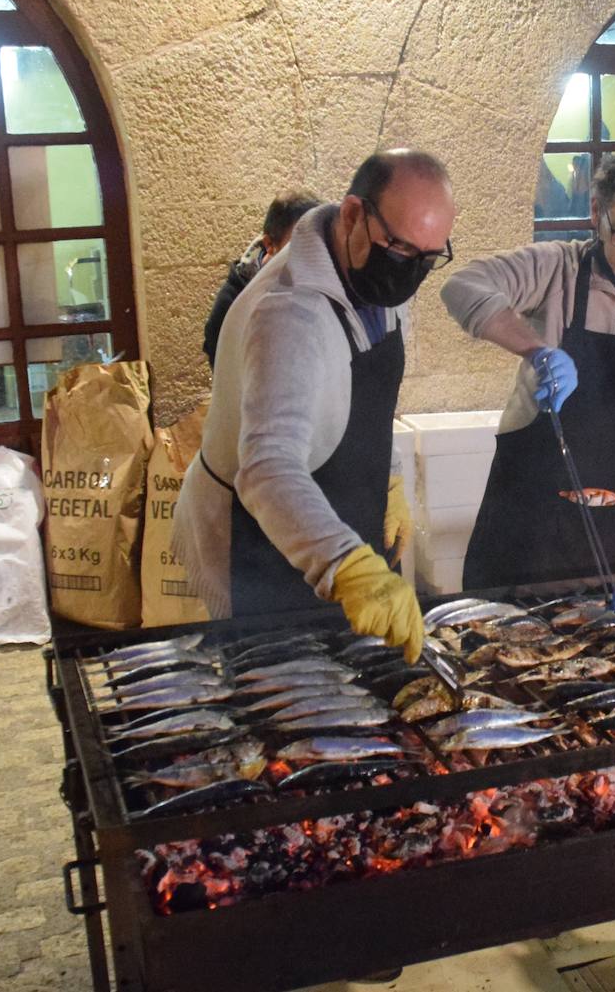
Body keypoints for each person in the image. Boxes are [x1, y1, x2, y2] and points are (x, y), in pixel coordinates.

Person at [174, 150, 456, 662]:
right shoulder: (288, 311)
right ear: (352, 214)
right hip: (255, 532)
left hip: (340, 503)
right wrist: (347, 566)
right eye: (401, 249)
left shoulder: (381, 266)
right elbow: (267, 469)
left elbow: (371, 397)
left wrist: (389, 476)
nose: (411, 273)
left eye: (430, 258)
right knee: (278, 685)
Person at [442, 152, 615, 589]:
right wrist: (536, 349)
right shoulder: (555, 270)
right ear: (597, 212)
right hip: (525, 519)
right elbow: (461, 287)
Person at [202, 190, 322, 368]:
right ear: (269, 245)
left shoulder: (318, 284)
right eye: (298, 245)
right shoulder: (234, 302)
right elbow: (227, 373)